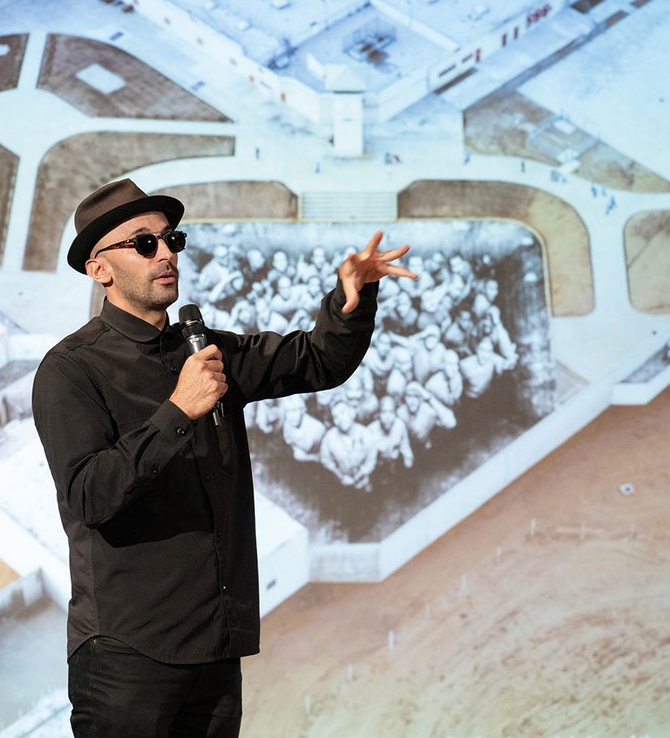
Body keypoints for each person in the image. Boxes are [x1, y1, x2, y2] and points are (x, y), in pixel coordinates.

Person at [31, 179, 415, 738]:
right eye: (143, 244)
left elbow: (315, 361)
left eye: (171, 240)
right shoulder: (70, 370)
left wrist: (351, 300)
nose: (166, 255)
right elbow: (90, 495)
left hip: (214, 646)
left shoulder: (202, 347)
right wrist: (177, 411)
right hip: (127, 653)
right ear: (99, 269)